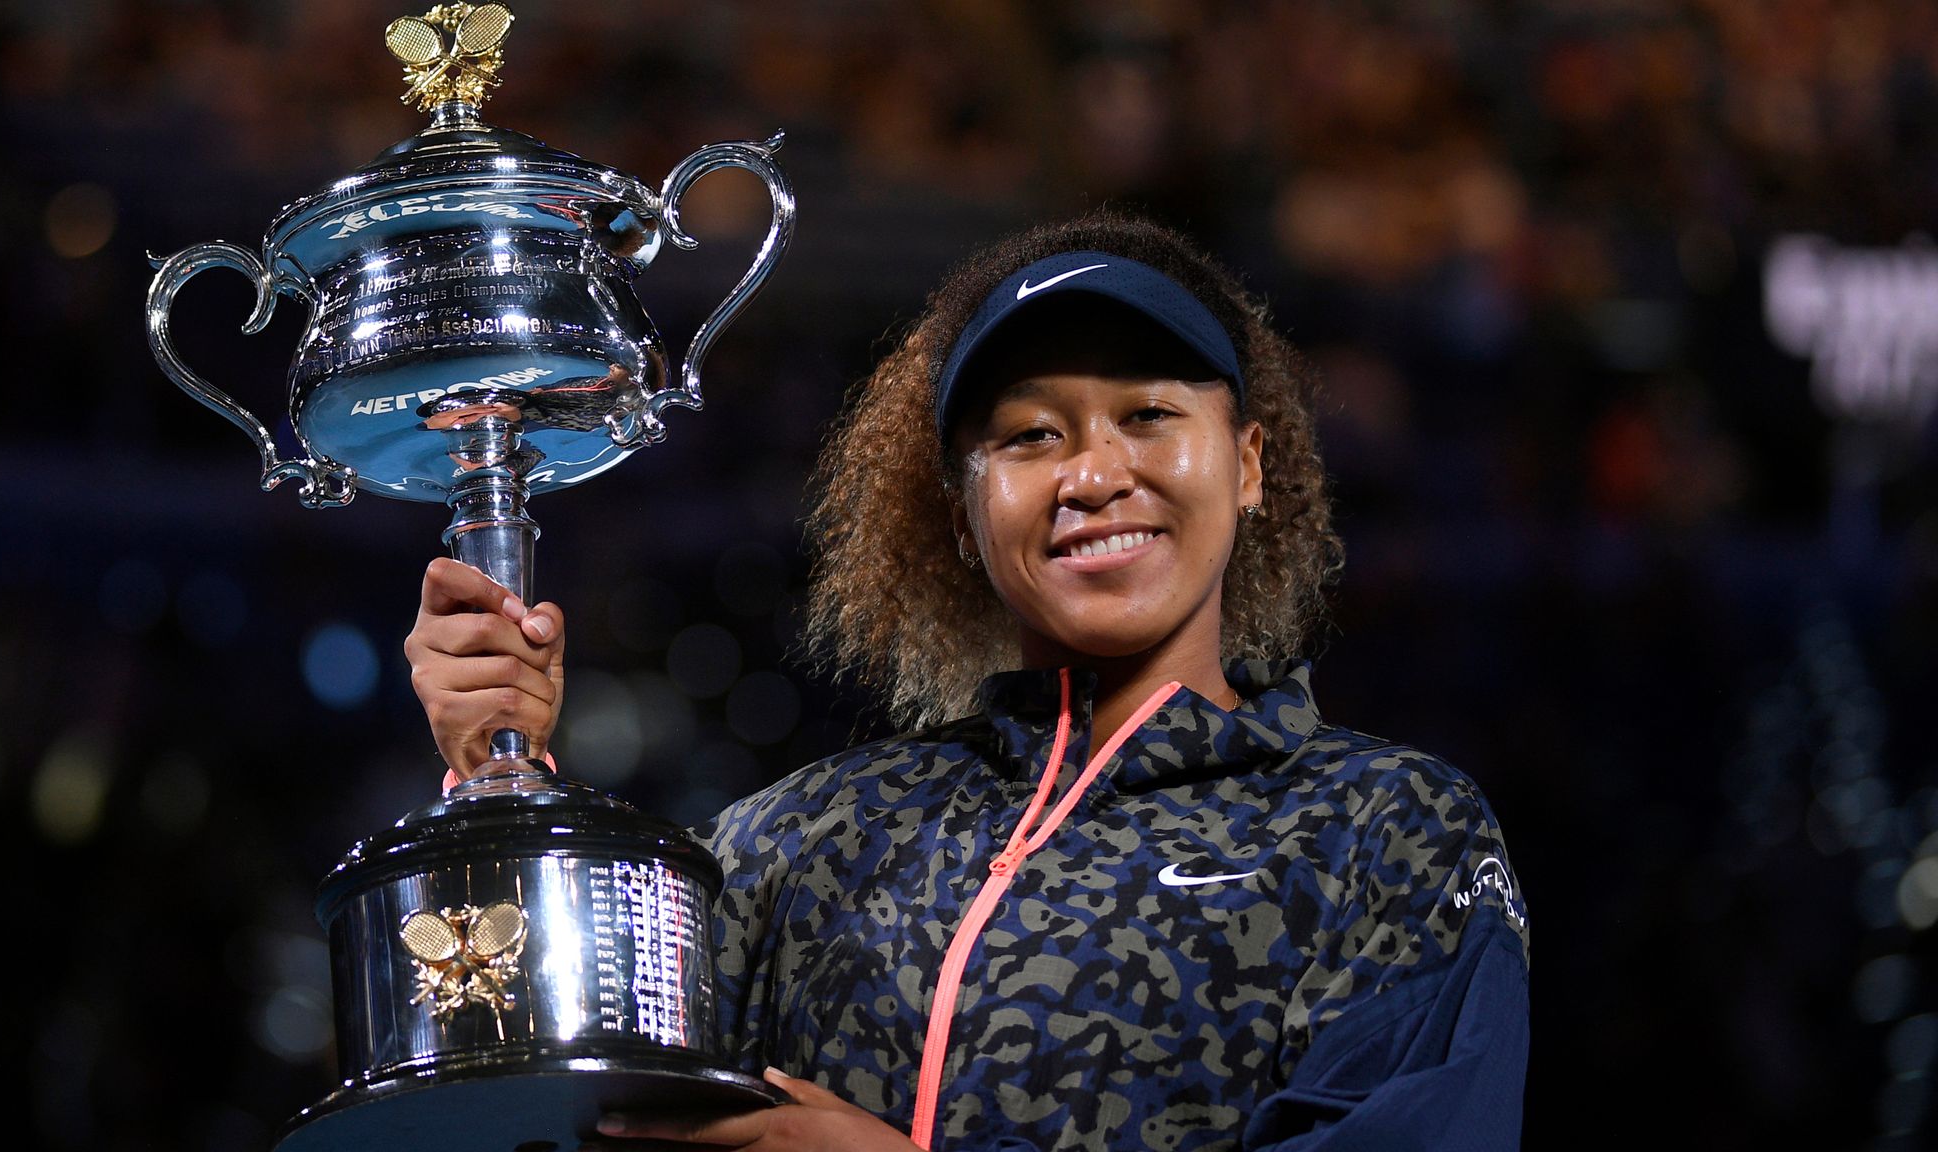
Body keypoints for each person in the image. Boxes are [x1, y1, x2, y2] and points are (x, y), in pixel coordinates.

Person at [405, 212, 1530, 1151]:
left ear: (1244, 465)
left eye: (1147, 415)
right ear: (958, 512)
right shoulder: (797, 845)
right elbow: (535, 1108)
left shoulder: (1382, 834)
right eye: (1030, 436)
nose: (1093, 473)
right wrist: (498, 778)